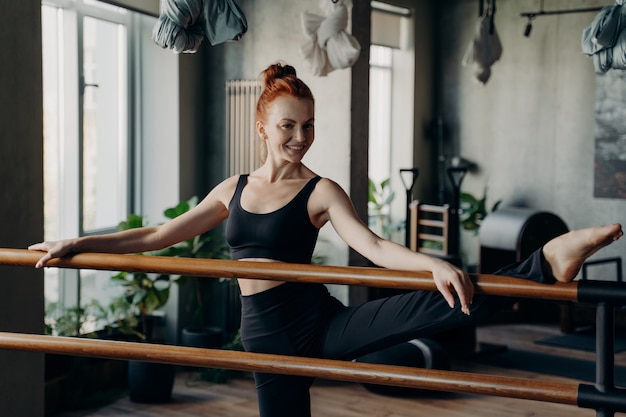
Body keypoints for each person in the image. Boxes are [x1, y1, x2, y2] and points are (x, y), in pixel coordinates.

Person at [29, 62, 623, 417]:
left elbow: (373, 248)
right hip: (262, 337)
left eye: (308, 125)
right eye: (288, 126)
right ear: (263, 127)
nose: (300, 137)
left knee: (442, 298)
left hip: (319, 324)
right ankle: (544, 263)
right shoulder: (230, 188)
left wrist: (432, 261)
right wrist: (76, 244)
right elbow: (160, 235)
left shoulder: (320, 190)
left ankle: (546, 260)